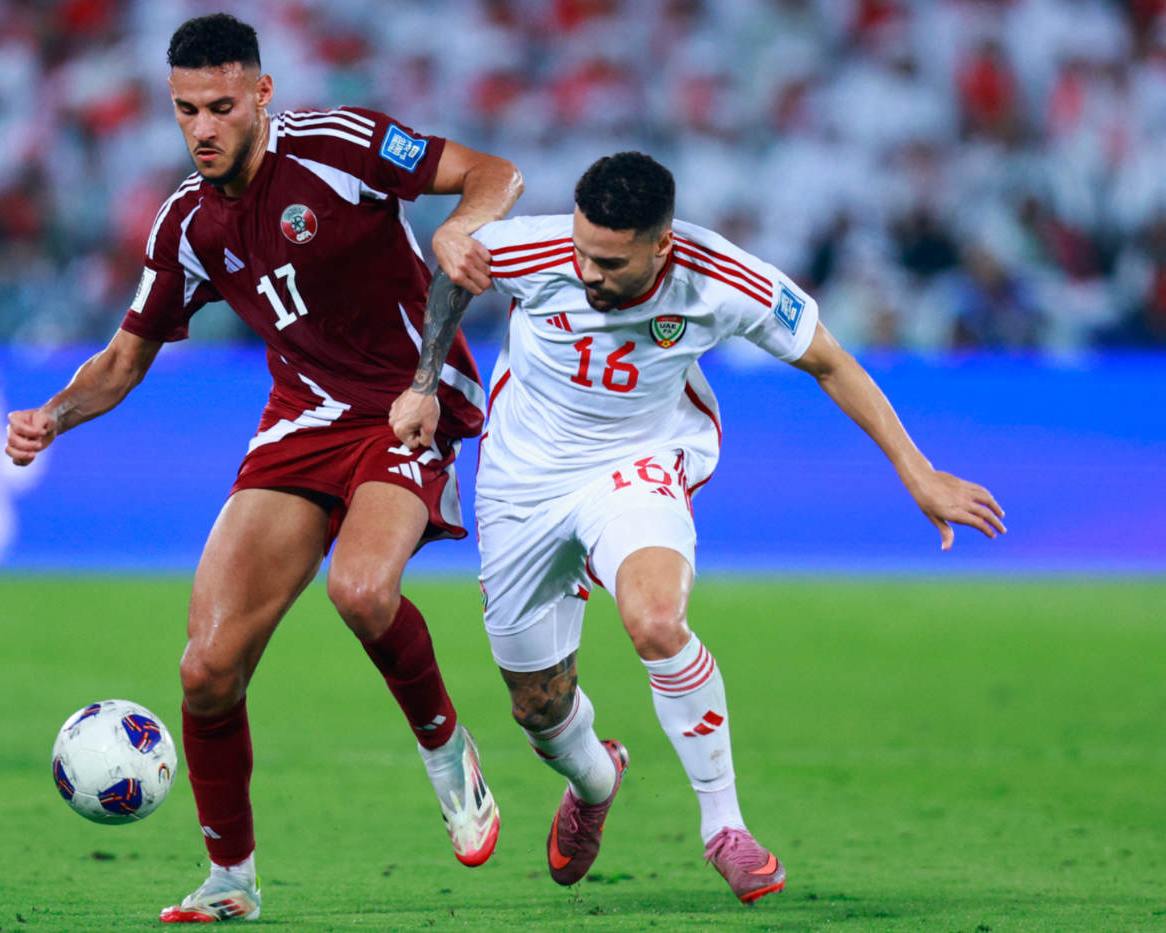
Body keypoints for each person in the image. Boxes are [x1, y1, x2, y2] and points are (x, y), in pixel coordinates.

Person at [5, 14, 522, 924]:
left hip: (411, 394)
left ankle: (449, 754)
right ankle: (231, 879)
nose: (202, 128)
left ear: (261, 95)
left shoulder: (338, 144)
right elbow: (124, 359)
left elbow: (494, 173)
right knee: (206, 669)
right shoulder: (186, 224)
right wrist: (53, 416)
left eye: (220, 106)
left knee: (362, 592)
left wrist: (462, 230)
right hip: (302, 420)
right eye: (184, 111)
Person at [389, 151, 1005, 904]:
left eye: (610, 261)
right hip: (522, 483)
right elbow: (451, 271)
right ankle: (595, 779)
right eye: (582, 250)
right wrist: (424, 384)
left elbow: (831, 360)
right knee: (537, 705)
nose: (586, 272)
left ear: (663, 245)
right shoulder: (532, 247)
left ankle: (725, 827)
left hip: (638, 462)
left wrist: (918, 471)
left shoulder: (722, 280)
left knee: (655, 619)